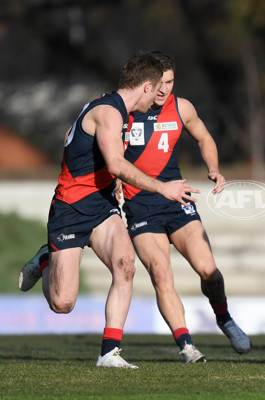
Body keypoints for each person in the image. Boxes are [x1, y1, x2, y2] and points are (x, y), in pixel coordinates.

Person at [18, 53, 198, 368]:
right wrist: (163, 186)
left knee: (125, 265)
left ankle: (109, 353)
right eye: (155, 90)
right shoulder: (110, 113)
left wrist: (104, 178)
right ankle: (46, 258)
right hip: (71, 208)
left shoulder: (115, 109)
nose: (158, 97)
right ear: (144, 87)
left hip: (102, 205)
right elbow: (116, 162)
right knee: (62, 303)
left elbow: (74, 140)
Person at [119, 51, 251, 363]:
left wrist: (214, 169)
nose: (164, 89)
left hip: (177, 199)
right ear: (146, 84)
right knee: (161, 275)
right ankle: (188, 346)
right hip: (140, 205)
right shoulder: (125, 111)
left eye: (170, 81)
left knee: (209, 270)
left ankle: (223, 317)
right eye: (159, 83)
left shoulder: (182, 107)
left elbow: (204, 139)